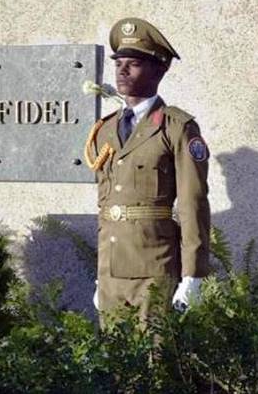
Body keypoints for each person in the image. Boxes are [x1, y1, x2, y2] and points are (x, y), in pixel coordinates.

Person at [86, 18, 210, 321]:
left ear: (158, 69)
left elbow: (193, 204)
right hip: (112, 271)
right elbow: (108, 206)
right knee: (115, 363)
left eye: (134, 64)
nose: (123, 71)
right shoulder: (105, 130)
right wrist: (102, 272)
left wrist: (193, 274)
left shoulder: (176, 127)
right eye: (119, 64)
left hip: (154, 267)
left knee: (155, 363)